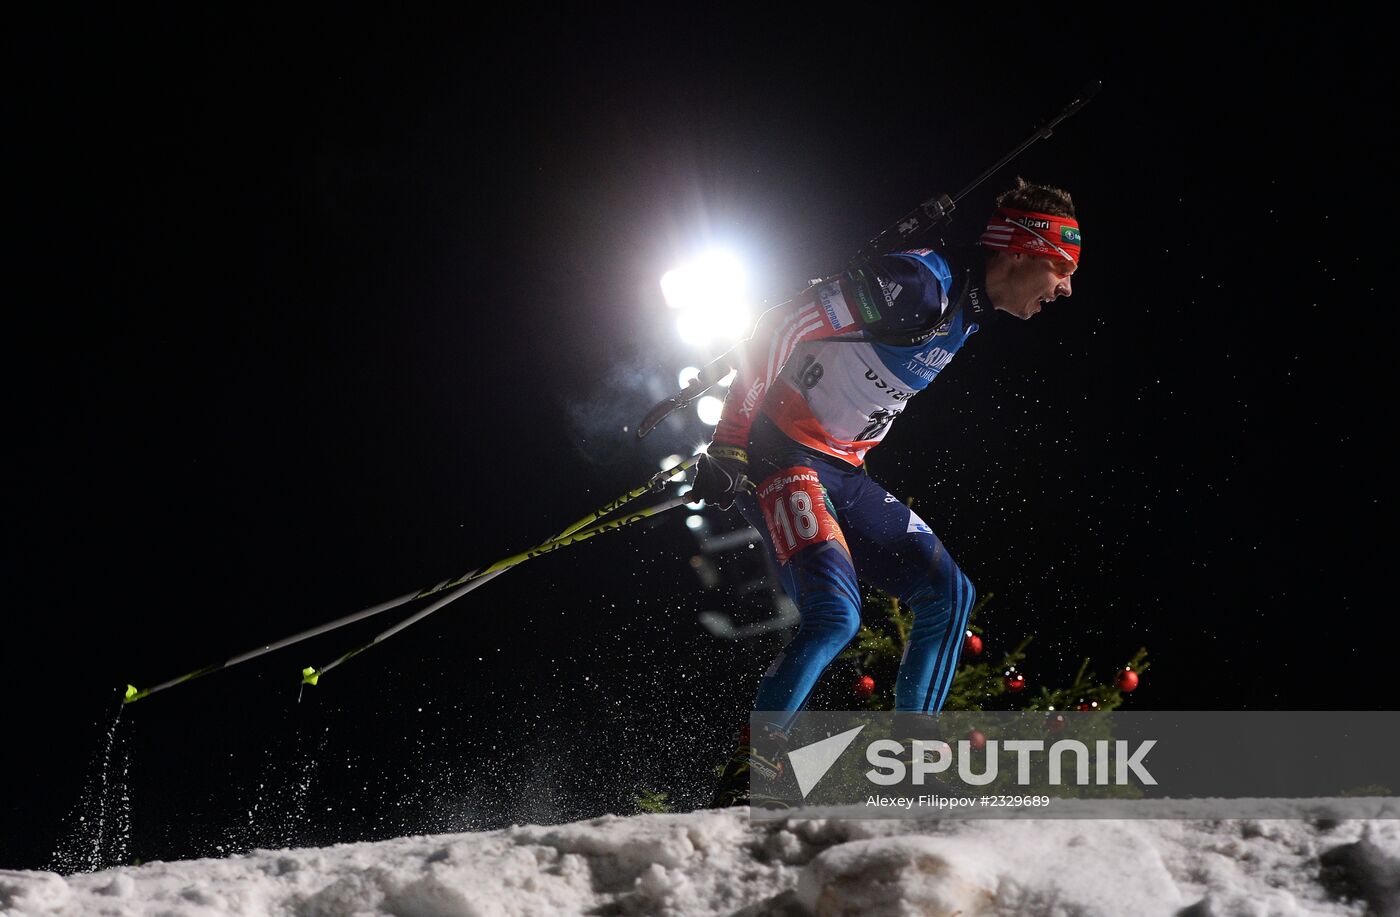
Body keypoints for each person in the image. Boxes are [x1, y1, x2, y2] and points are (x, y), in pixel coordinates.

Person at [687, 177, 1082, 807]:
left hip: (840, 468)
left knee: (950, 594)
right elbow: (777, 324)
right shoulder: (922, 286)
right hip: (780, 453)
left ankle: (915, 770)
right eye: (1061, 268)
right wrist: (732, 439)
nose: (1066, 288)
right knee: (836, 616)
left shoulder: (970, 309)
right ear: (1018, 251)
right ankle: (750, 779)